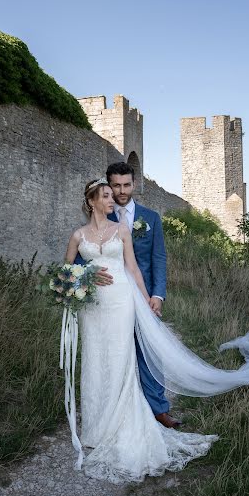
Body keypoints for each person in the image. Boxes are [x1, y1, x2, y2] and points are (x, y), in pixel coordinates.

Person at [65, 178, 249, 483]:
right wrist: (85, 275)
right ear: (92, 201)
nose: (113, 200)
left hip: (122, 302)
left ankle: (122, 423)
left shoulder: (122, 229)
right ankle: (96, 427)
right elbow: (67, 271)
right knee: (95, 361)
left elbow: (135, 269)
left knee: (119, 360)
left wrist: (148, 301)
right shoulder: (78, 235)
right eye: (107, 195)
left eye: (114, 194)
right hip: (94, 308)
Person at [76, 161, 180, 429]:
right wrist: (88, 273)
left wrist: (157, 295)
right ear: (107, 186)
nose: (121, 191)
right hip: (107, 298)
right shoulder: (102, 215)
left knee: (150, 353)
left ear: (134, 185)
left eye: (126, 185)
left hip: (142, 295)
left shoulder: (151, 217)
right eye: (116, 186)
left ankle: (159, 409)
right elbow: (79, 259)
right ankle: (114, 409)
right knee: (112, 352)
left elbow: (159, 259)